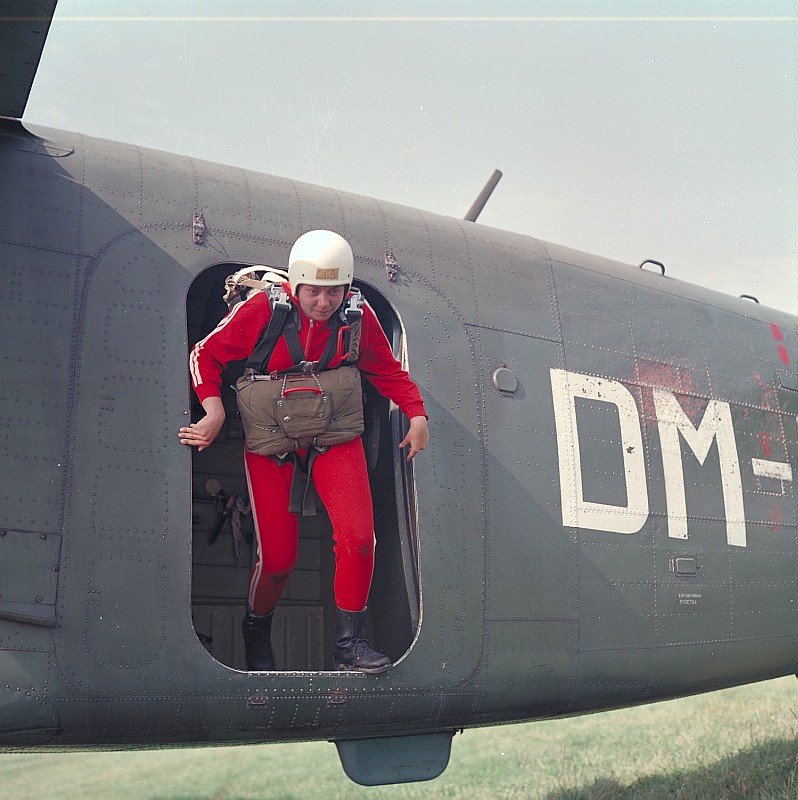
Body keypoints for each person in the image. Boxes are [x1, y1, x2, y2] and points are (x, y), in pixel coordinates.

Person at [179, 230, 429, 673]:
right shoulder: (262, 311)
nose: (323, 302)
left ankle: (349, 646)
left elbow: (385, 368)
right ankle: (256, 627)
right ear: (295, 285)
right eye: (313, 291)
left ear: (346, 288)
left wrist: (416, 412)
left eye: (334, 291)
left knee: (358, 540)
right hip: (271, 439)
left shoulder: (356, 316)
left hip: (333, 433)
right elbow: (205, 354)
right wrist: (213, 410)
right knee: (277, 560)